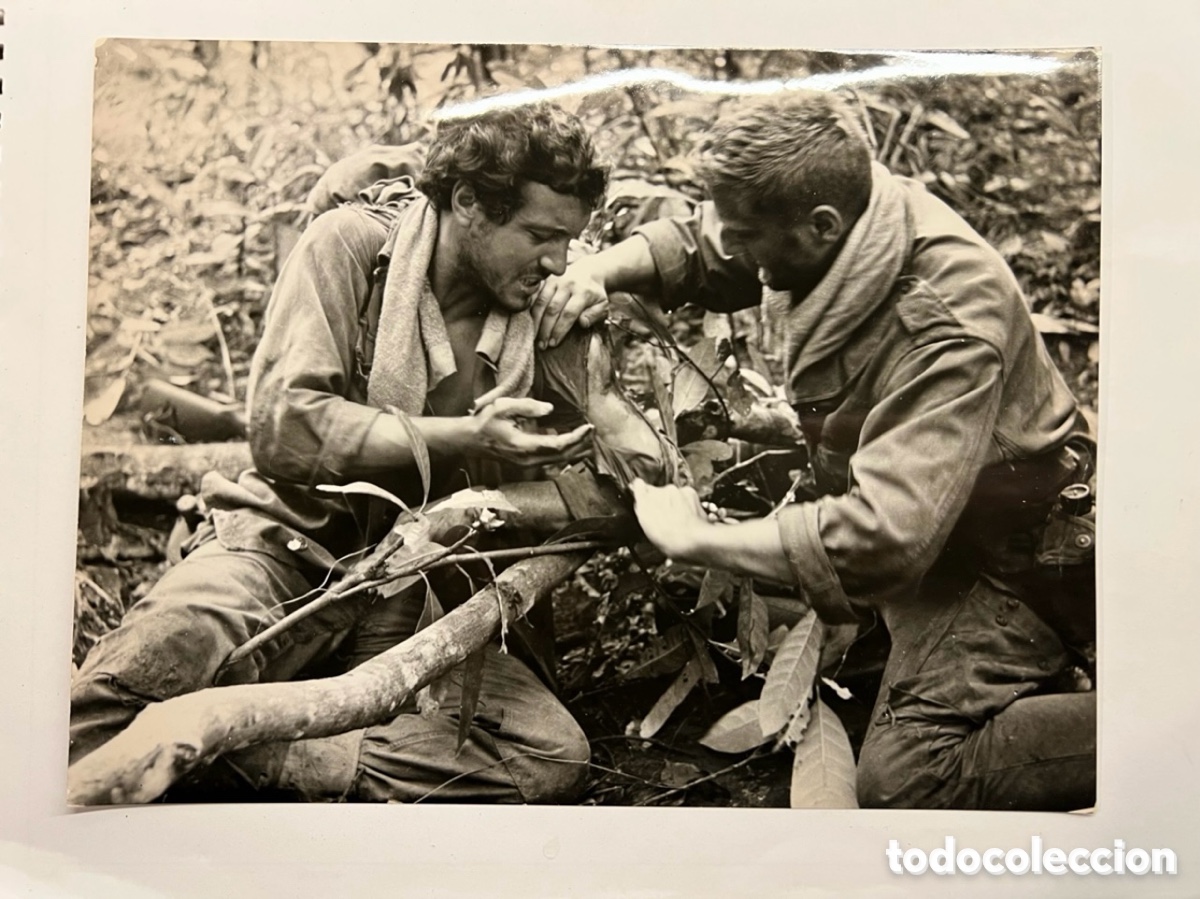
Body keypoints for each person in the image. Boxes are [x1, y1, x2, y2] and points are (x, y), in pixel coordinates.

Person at [533, 90, 1097, 810]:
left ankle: (1152, 729)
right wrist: (599, 271)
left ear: (823, 226)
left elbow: (887, 536)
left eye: (746, 234)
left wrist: (699, 536)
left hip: (1003, 561)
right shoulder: (834, 216)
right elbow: (718, 244)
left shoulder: (949, 318)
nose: (731, 246)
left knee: (907, 778)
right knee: (735, 607)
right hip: (926, 525)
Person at [70, 102, 609, 804]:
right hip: (280, 547)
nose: (557, 260)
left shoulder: (544, 307)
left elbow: (618, 479)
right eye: (540, 234)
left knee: (547, 752)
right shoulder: (349, 249)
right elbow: (287, 429)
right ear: (469, 203)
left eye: (569, 241)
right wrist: (466, 439)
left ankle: (252, 755)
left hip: (421, 583)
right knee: (121, 692)